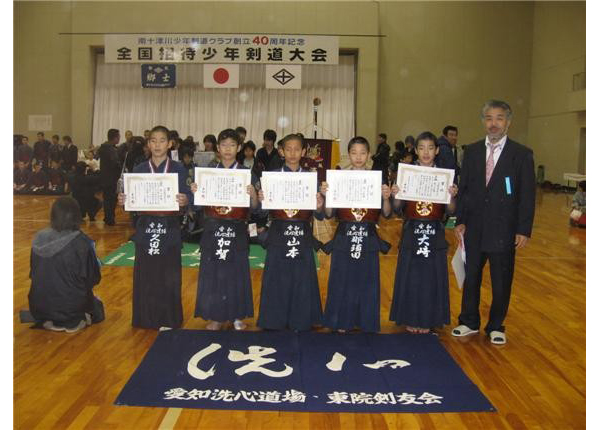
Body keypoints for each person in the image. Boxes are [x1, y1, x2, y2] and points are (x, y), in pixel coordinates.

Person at [452, 100, 536, 345]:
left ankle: (497, 325)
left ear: (508, 122)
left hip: (504, 229)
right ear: (483, 122)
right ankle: (468, 320)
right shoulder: (472, 151)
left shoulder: (521, 154)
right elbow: (465, 189)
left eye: (499, 118)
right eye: (489, 118)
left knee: (501, 281)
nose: (494, 123)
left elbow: (527, 195)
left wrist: (523, 229)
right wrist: (460, 220)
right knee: (471, 277)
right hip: (474, 228)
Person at [118, 125, 191, 330]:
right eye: (153, 141)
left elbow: (190, 198)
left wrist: (186, 199)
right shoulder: (140, 169)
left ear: (170, 144)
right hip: (146, 226)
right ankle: (145, 317)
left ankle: (169, 318)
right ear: (148, 144)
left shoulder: (178, 169)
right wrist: (124, 199)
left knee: (169, 275)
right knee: (146, 274)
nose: (157, 145)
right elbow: (130, 204)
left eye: (162, 141)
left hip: (169, 226)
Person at [318, 136, 392, 333]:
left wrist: (386, 197)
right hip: (345, 235)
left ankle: (366, 322)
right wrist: (327, 195)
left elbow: (385, 213)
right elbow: (328, 213)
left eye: (362, 153)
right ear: (348, 155)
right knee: (343, 279)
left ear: (368, 155)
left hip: (367, 236)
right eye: (354, 153)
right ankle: (341, 321)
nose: (358, 157)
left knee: (366, 281)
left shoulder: (376, 178)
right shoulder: (338, 178)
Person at [389, 132, 458, 334]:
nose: (426, 152)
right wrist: (396, 193)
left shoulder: (444, 176)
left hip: (434, 230)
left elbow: (451, 211)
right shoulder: (407, 174)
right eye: (421, 148)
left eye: (430, 148)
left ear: (436, 151)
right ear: (415, 150)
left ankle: (429, 318)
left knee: (431, 276)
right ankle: (409, 317)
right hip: (412, 229)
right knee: (411, 275)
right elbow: (397, 208)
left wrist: (453, 195)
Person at [191, 128, 259, 331]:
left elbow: (256, 209)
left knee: (236, 272)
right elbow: (196, 207)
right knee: (214, 272)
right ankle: (216, 316)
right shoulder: (209, 173)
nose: (228, 149)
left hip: (236, 229)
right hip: (213, 228)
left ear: (239, 148)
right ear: (217, 148)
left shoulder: (247, 174)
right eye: (224, 145)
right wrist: (196, 191)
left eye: (232, 145)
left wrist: (253, 194)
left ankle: (237, 315)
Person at [256, 134, 325, 331]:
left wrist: (319, 205)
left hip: (302, 231)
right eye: (288, 149)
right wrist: (262, 198)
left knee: (303, 276)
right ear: (281, 151)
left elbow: (319, 216)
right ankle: (272, 319)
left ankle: (304, 318)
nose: (293, 153)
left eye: (297, 149)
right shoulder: (272, 177)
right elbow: (260, 211)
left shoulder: (311, 178)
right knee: (276, 275)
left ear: (304, 152)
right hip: (279, 230)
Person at [28, 196, 102, 333]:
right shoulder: (83, 242)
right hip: (71, 307)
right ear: (77, 216)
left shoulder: (39, 238)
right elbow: (94, 278)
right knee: (97, 305)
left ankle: (51, 316)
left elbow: (33, 273)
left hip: (39, 306)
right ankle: (74, 318)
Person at [98, 129, 121, 226]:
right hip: (111, 178)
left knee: (107, 199)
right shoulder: (111, 149)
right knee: (111, 199)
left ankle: (107, 217)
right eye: (119, 137)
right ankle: (110, 219)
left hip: (104, 177)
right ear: (115, 138)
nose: (119, 139)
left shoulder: (103, 147)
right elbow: (115, 164)